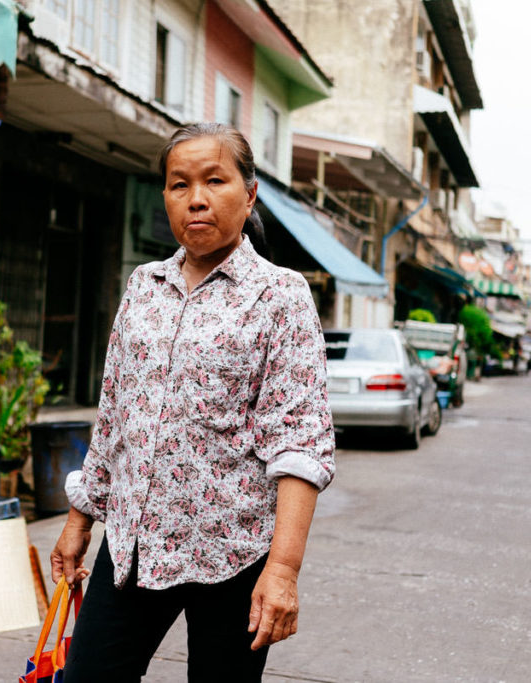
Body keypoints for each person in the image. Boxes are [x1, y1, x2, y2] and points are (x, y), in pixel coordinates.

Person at [51, 122, 335, 682]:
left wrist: (282, 569)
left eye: (214, 180)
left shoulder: (280, 295)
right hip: (131, 545)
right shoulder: (143, 286)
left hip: (233, 551)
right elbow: (115, 416)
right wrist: (79, 518)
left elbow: (300, 442)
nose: (196, 198)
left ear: (249, 193)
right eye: (179, 185)